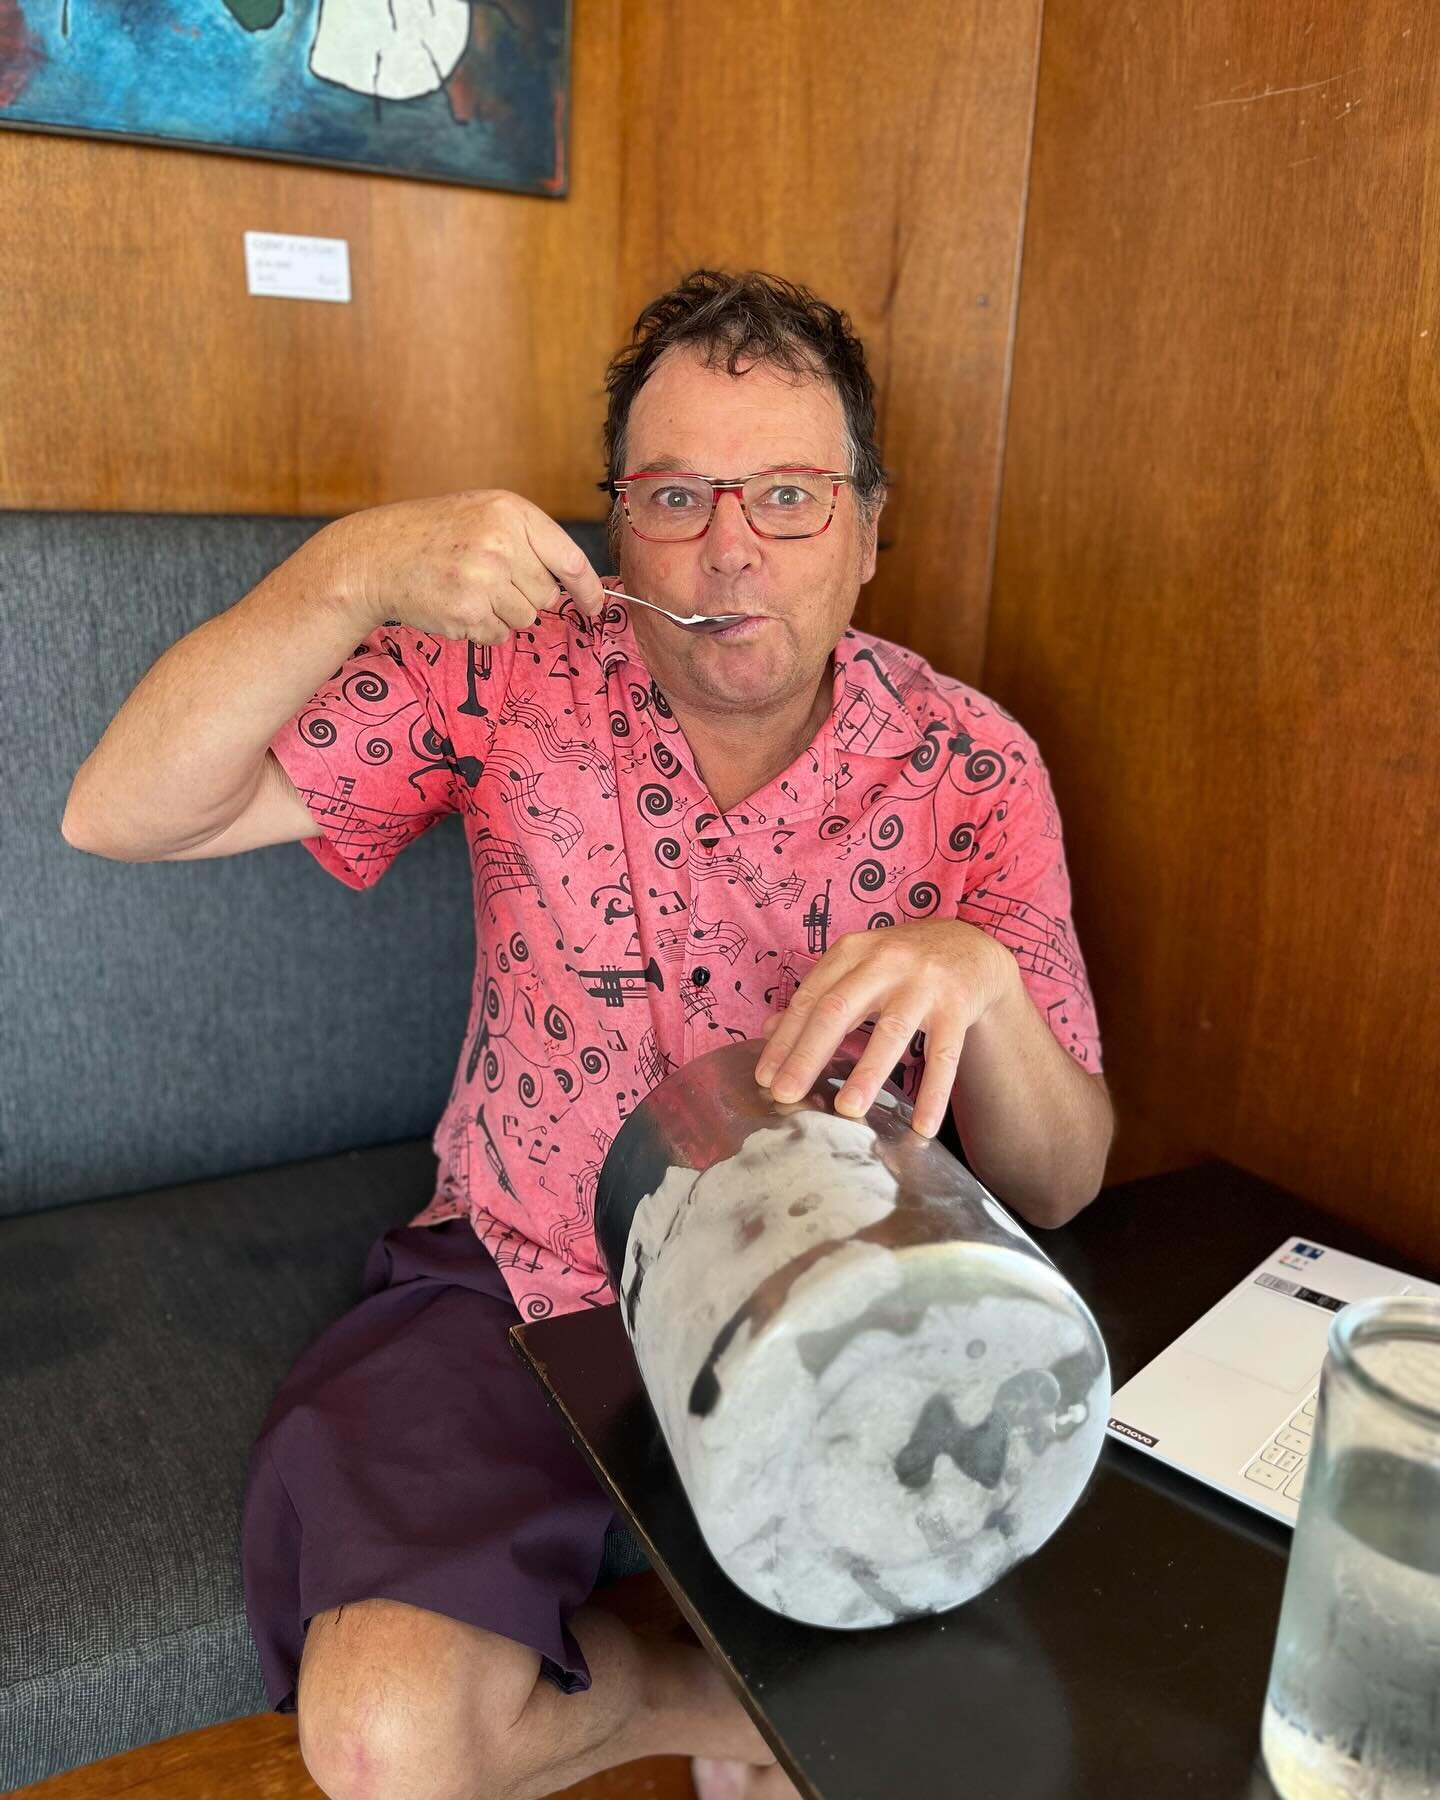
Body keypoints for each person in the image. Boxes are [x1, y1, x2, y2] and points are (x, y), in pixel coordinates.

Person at [62, 268, 1112, 1800]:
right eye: (677, 494)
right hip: (522, 1278)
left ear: (872, 536)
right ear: (618, 526)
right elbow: (121, 811)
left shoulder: (973, 769)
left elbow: (1069, 1179)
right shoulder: (507, 677)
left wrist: (986, 978)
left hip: (837, 1303)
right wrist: (354, 569)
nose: (730, 546)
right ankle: (735, 1708)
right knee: (386, 1741)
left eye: (790, 497)